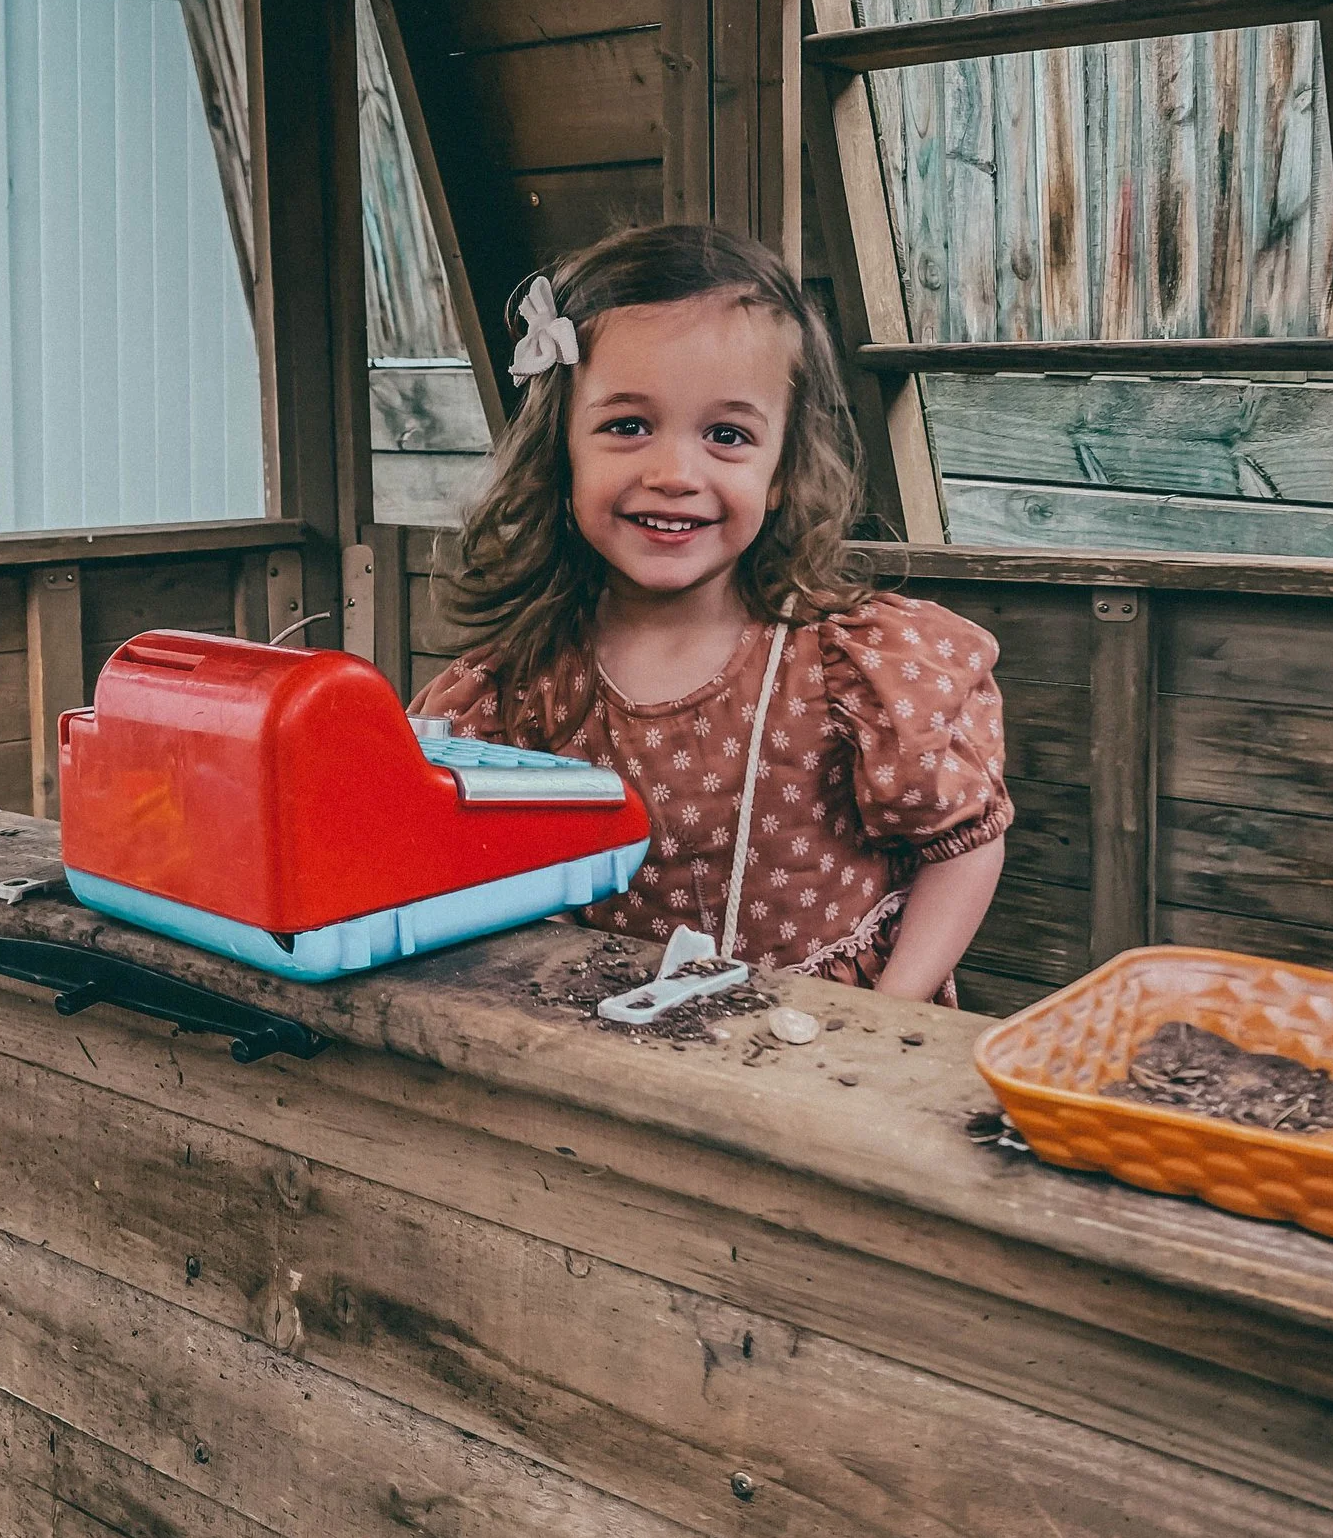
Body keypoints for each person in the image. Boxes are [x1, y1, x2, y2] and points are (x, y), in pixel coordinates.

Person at [412, 224, 1008, 1003]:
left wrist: (893, 1012)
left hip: (829, 1058)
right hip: (623, 1054)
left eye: (726, 435)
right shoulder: (518, 687)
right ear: (561, 451)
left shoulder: (847, 665)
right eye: (628, 426)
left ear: (783, 472)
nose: (673, 473)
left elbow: (962, 847)